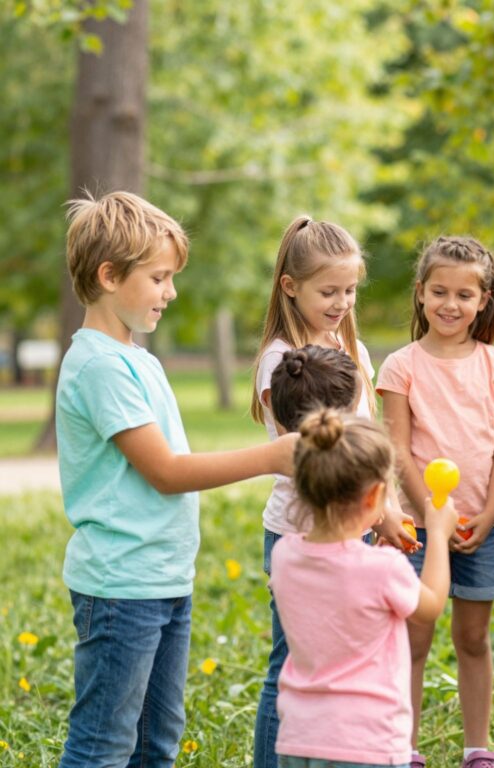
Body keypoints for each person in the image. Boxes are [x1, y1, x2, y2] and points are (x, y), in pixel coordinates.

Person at [55, 191, 297, 768]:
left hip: (163, 578)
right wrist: (272, 457)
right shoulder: (98, 367)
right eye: (159, 278)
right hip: (119, 586)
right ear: (109, 275)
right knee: (102, 745)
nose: (171, 291)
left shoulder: (139, 359)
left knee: (156, 745)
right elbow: (165, 472)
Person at [251, 216, 415, 768]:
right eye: (328, 291)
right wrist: (375, 511)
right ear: (290, 287)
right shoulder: (280, 362)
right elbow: (309, 457)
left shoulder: (355, 351)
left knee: (344, 658)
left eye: (349, 289)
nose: (342, 301)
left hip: (354, 530)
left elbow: (369, 442)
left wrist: (385, 509)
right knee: (291, 663)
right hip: (299, 532)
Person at [378, 236, 494, 768]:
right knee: (413, 639)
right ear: (420, 294)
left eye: (465, 294)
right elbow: (396, 447)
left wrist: (488, 512)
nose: (450, 304)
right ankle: (406, 747)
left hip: (482, 524)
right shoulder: (400, 365)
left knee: (473, 636)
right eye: (439, 291)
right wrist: (429, 514)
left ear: (483, 300)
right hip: (416, 528)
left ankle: (478, 748)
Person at [270, 408, 458, 768]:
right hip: (366, 743)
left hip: (299, 738)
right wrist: (436, 532)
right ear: (373, 498)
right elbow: (431, 605)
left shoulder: (284, 555)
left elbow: (335, 583)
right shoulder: (382, 569)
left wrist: (368, 554)